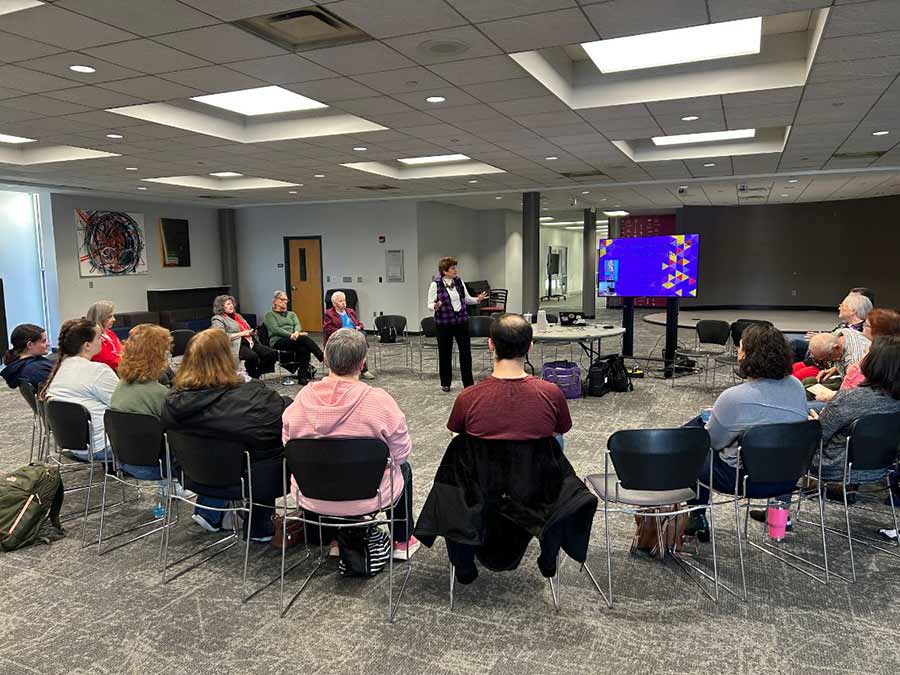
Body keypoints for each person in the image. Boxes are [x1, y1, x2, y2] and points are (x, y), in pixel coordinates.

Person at [282, 328, 419, 560]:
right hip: (368, 496)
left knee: (333, 468)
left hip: (313, 496)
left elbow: (289, 447)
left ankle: (338, 537)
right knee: (402, 469)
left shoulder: (299, 402)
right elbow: (401, 453)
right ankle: (402, 539)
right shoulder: (379, 401)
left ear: (325, 360)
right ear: (363, 362)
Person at [161, 329, 287, 543]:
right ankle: (260, 526)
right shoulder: (252, 397)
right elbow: (277, 426)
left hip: (194, 475)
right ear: (227, 358)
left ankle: (209, 512)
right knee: (273, 448)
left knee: (216, 444)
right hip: (245, 481)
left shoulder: (172, 399)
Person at [686, 324, 809, 540]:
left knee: (689, 447)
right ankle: (778, 523)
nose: (738, 353)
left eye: (740, 348)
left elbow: (713, 442)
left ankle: (696, 516)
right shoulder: (797, 387)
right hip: (787, 475)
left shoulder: (735, 397)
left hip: (741, 478)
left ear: (749, 356)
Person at [447, 313, 572, 444]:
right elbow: (561, 429)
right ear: (530, 347)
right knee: (557, 438)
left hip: (485, 463)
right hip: (535, 463)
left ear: (491, 344)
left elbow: (455, 430)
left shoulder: (467, 397)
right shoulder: (552, 393)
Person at [809, 336, 900, 484]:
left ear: (874, 363)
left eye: (866, 353)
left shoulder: (848, 399)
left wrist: (814, 424)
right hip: (883, 468)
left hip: (836, 469)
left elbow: (818, 437)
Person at [41, 318, 117, 461]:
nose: (102, 341)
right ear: (87, 345)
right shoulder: (98, 371)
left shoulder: (61, 367)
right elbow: (124, 406)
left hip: (72, 446)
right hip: (101, 448)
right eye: (99, 338)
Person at [110, 324, 175, 481]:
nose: (169, 354)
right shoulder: (160, 394)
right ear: (157, 355)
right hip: (158, 467)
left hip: (124, 461)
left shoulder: (120, 385)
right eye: (166, 350)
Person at [426, 257, 488, 392]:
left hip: (461, 322)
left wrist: (478, 299)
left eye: (455, 267)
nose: (456, 270)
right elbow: (429, 304)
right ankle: (446, 383)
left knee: (466, 353)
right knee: (445, 353)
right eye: (453, 268)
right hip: (444, 323)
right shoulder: (435, 284)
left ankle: (468, 383)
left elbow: (467, 299)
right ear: (444, 271)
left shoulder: (459, 282)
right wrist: (435, 306)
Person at [262, 290, 324, 385]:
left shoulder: (292, 314)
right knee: (304, 339)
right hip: (278, 341)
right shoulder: (269, 315)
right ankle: (323, 358)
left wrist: (296, 332)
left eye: (286, 300)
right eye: (282, 300)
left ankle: (302, 377)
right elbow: (275, 329)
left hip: (294, 339)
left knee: (304, 348)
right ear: (275, 301)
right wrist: (291, 335)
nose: (285, 302)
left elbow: (297, 325)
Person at [211, 294, 276, 380]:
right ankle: (253, 375)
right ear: (221, 307)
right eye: (228, 304)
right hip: (236, 344)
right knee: (252, 356)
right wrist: (242, 334)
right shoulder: (218, 319)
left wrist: (251, 332)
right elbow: (221, 336)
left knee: (270, 353)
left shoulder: (237, 316)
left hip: (250, 341)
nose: (231, 306)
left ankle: (255, 374)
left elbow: (246, 328)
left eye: (231, 303)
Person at [800, 329, 870, 395]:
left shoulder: (854, 360)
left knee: (808, 391)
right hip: (848, 377)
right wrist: (834, 369)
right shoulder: (841, 333)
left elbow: (855, 393)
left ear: (836, 348)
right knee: (808, 381)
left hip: (859, 388)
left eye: (827, 358)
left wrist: (829, 397)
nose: (827, 362)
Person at [322, 290, 374, 380]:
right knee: (357, 342)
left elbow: (359, 323)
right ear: (334, 303)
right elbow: (328, 329)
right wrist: (344, 331)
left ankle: (363, 369)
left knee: (361, 335)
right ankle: (362, 369)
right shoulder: (329, 314)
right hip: (339, 337)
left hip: (354, 334)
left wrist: (359, 326)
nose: (344, 303)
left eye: (344, 300)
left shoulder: (350, 311)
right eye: (340, 301)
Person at [2, 323, 54, 390]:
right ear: (30, 345)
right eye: (43, 341)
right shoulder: (36, 370)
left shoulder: (22, 366)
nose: (48, 344)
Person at [86, 300, 122, 372]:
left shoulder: (110, 333)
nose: (114, 319)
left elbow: (121, 351)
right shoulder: (93, 338)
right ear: (99, 318)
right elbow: (111, 361)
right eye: (109, 317)